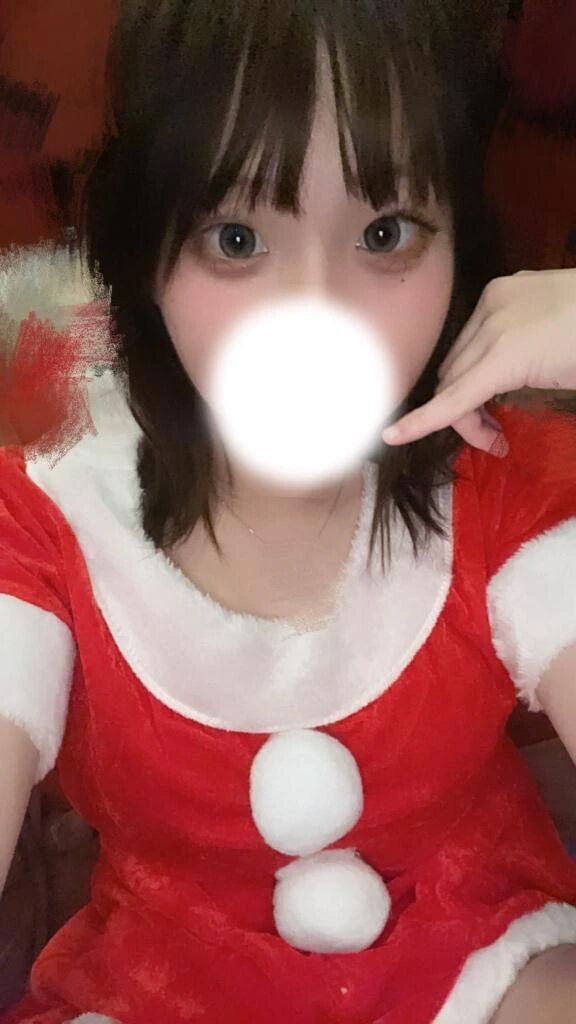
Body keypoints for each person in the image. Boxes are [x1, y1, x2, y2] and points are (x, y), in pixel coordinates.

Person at [1, 2, 576, 1022]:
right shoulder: (48, 515)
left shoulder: (506, 483)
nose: (319, 316)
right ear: (146, 256)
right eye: (237, 238)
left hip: (483, 952)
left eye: (385, 234)